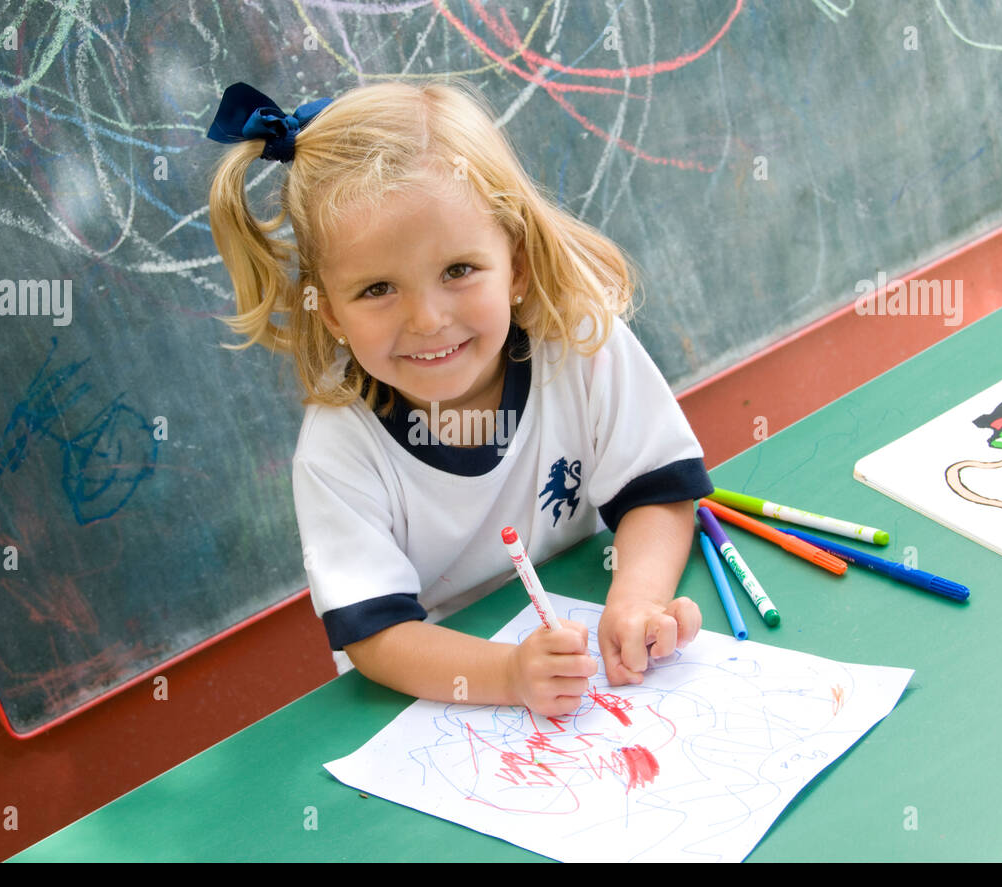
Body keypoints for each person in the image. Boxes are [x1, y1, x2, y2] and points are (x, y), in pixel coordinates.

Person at [206, 79, 713, 715]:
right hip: (442, 712)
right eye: (376, 289)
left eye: (457, 271)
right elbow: (378, 637)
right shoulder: (338, 451)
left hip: (579, 653)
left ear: (517, 263)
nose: (426, 319)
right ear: (329, 311)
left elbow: (660, 492)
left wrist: (637, 599)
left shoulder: (581, 344)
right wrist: (509, 675)